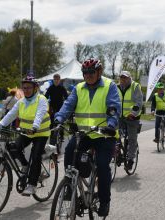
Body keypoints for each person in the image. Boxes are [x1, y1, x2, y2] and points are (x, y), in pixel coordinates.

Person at [54, 58, 121, 217]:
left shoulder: (109, 86)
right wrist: (59, 118)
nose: (88, 75)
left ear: (99, 72)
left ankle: (105, 201)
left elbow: (114, 107)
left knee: (103, 165)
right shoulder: (78, 88)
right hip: (84, 134)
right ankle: (70, 187)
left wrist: (111, 125)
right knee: (69, 153)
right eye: (85, 73)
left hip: (104, 134)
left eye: (91, 72)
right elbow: (68, 105)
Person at [0, 75, 51, 196]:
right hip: (26, 132)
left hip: (40, 132)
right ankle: (25, 165)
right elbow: (11, 114)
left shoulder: (41, 99)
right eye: (24, 88)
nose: (26, 90)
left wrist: (35, 127)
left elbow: (40, 114)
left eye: (29, 88)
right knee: (13, 147)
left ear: (35, 88)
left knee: (36, 156)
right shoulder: (21, 102)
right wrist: (0, 124)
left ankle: (32, 185)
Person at [117, 70, 143, 170]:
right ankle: (117, 152)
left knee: (132, 138)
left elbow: (139, 102)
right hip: (119, 116)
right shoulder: (116, 87)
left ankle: (131, 159)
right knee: (114, 134)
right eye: (121, 78)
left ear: (129, 78)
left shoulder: (135, 86)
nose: (123, 80)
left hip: (132, 117)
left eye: (125, 78)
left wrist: (133, 113)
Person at [44, 73, 68, 150]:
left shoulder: (62, 88)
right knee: (51, 123)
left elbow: (67, 97)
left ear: (59, 80)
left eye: (57, 79)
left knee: (60, 122)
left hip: (60, 107)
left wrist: (67, 104)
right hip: (52, 107)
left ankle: (61, 135)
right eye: (55, 79)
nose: (56, 81)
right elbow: (46, 97)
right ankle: (52, 137)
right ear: (53, 80)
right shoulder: (51, 88)